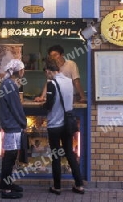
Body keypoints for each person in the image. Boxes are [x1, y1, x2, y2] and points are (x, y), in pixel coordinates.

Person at [41, 57, 85, 195]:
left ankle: (57, 187)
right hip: (67, 124)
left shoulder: (51, 83)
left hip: (55, 124)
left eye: (45, 73)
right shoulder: (68, 82)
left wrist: (43, 105)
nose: (46, 75)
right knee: (70, 154)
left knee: (56, 156)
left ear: (48, 71)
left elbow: (49, 105)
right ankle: (79, 185)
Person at [0, 59, 27, 199]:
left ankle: (7, 184)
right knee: (9, 158)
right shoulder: (10, 85)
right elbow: (16, 108)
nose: (24, 72)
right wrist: (23, 122)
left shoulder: (7, 83)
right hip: (12, 126)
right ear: (19, 71)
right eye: (23, 69)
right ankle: (5, 189)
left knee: (10, 157)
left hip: (10, 125)